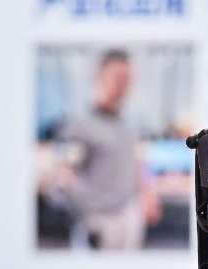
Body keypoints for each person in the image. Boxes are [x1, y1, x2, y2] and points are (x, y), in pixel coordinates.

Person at [60, 49, 160, 250]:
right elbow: (67, 173)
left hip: (129, 214)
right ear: (99, 77)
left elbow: (137, 161)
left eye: (128, 78)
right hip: (97, 219)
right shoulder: (81, 126)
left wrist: (148, 194)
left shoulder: (131, 123)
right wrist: (82, 211)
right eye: (118, 77)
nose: (124, 84)